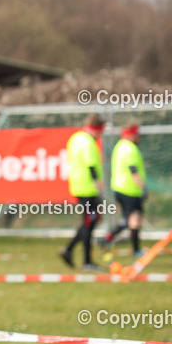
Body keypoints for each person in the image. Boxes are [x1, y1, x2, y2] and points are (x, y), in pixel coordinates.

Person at [60, 114, 105, 272]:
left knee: (90, 222)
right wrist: (99, 187)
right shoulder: (88, 142)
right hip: (88, 189)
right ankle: (85, 260)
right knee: (89, 223)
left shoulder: (76, 138)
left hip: (78, 186)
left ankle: (70, 250)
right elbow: (91, 166)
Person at [103, 122, 147, 258]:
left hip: (119, 187)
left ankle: (108, 238)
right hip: (129, 189)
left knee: (128, 219)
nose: (138, 137)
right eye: (136, 134)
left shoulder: (119, 146)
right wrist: (142, 187)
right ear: (132, 135)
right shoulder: (130, 149)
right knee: (134, 219)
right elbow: (133, 170)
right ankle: (135, 250)